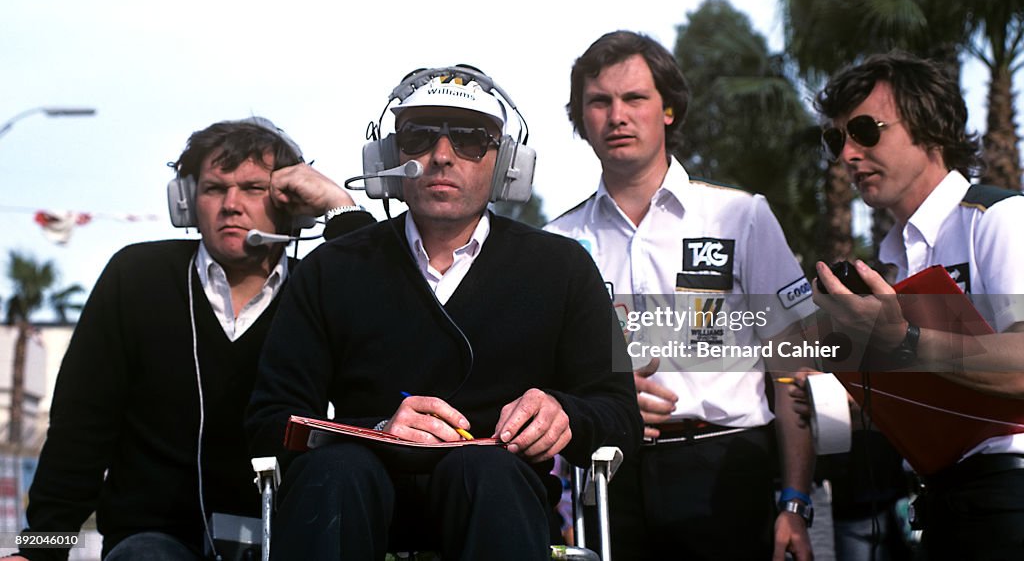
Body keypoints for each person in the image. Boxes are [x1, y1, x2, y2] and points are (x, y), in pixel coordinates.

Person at [245, 66, 641, 560]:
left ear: (506, 163)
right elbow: (268, 421)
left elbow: (619, 414)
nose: (441, 156)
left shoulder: (561, 267)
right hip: (353, 496)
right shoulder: (331, 269)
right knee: (338, 471)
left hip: (498, 496)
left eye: (472, 139)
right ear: (390, 155)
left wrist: (567, 415)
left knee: (485, 471)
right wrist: (379, 431)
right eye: (419, 135)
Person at [13, 118, 372, 561]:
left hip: (287, 539)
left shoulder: (320, 287)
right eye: (214, 189)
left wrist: (341, 207)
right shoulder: (136, 278)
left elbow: (384, 308)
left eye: (253, 188)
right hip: (154, 543)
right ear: (186, 202)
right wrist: (37, 550)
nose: (231, 205)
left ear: (293, 204)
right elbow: (79, 433)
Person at [545, 30, 816, 561]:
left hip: (724, 466)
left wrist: (796, 501)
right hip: (607, 475)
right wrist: (608, 403)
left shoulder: (742, 216)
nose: (617, 115)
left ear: (667, 110)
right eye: (599, 102)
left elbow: (795, 366)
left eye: (635, 98)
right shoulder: (555, 242)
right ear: (582, 120)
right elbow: (544, 376)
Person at [808, 51, 1024, 559]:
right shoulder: (894, 263)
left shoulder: (998, 219)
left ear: (929, 126)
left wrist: (903, 342)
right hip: (943, 502)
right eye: (837, 138)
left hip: (1010, 499)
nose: (847, 154)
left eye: (865, 129)